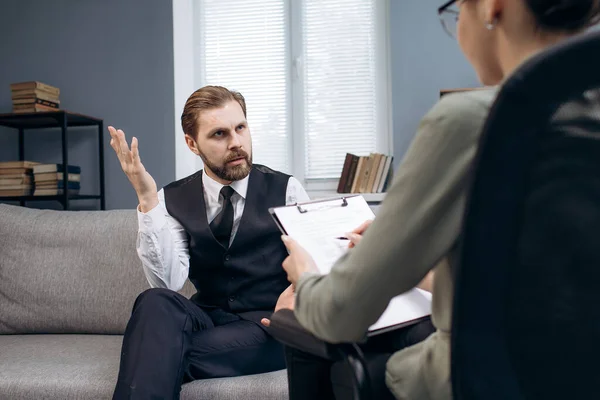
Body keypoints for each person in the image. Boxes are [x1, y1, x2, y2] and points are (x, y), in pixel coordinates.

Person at [276, 0, 600, 399]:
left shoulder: (472, 122)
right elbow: (545, 279)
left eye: (457, 8)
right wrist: (408, 253)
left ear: (492, 7)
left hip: (482, 380)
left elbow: (339, 313)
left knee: (297, 320)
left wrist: (306, 275)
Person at [107, 85, 309, 399]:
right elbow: (168, 282)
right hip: (208, 319)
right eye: (219, 134)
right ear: (192, 143)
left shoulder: (286, 190)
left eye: (240, 128)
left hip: (265, 324)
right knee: (155, 300)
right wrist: (147, 198)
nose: (237, 143)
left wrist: (300, 289)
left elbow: (313, 264)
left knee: (155, 353)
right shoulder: (171, 198)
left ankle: (152, 358)